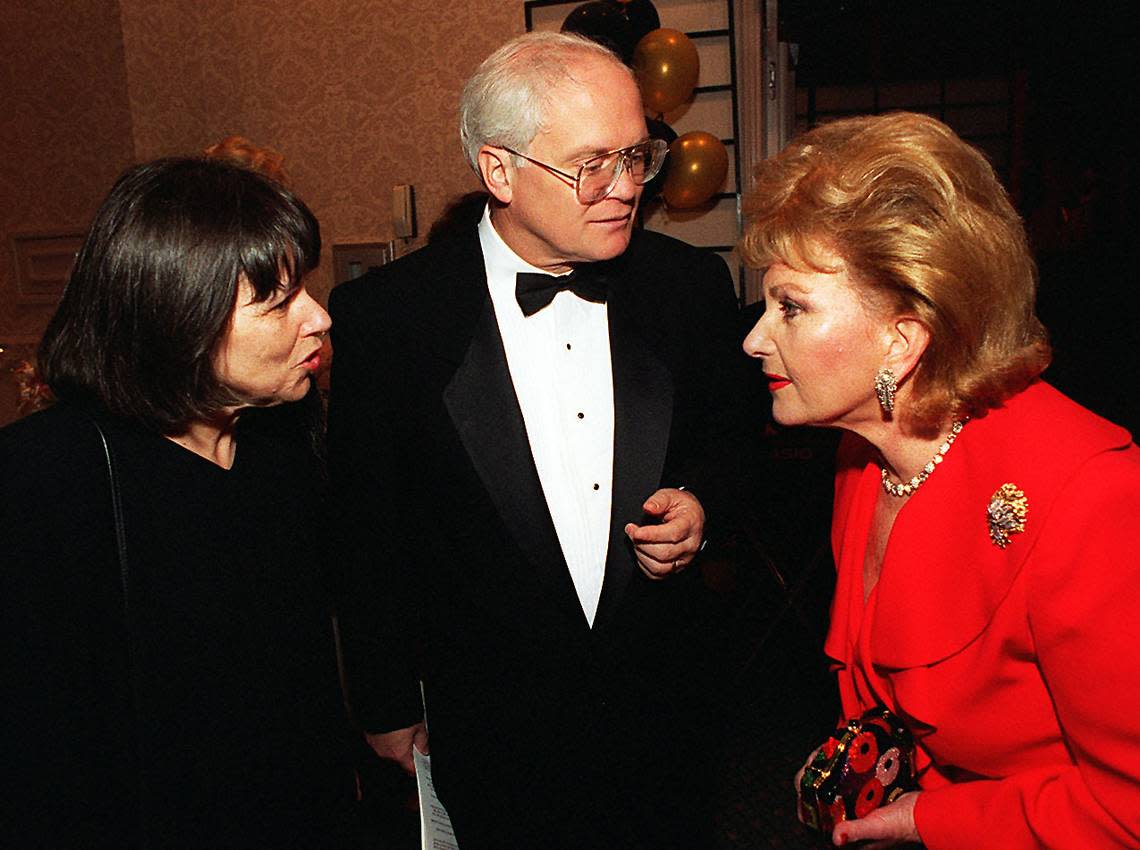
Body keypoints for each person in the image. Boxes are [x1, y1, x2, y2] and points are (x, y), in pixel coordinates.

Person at [327, 31, 749, 850]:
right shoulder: (388, 320)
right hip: (489, 726)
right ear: (499, 170)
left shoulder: (688, 288)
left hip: (664, 713)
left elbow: (738, 443)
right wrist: (383, 705)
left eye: (638, 155)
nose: (626, 186)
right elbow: (364, 530)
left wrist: (704, 502)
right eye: (593, 163)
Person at [740, 111, 1140, 849]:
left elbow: (1127, 809)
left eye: (790, 307)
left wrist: (933, 819)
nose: (755, 338)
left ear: (902, 340)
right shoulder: (865, 454)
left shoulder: (1091, 499)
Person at [1, 157, 357, 848]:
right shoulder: (40, 483)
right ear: (177, 317)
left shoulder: (281, 440)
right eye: (278, 302)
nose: (318, 316)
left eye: (304, 288)